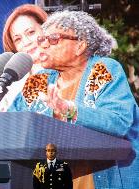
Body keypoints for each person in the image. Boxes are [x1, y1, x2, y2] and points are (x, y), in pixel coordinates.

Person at [9, 10, 139, 189]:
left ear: (80, 45)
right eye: (42, 39)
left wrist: (69, 110)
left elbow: (119, 122)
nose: (43, 45)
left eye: (53, 39)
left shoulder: (103, 70)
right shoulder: (38, 81)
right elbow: (10, 123)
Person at [0, 4, 57, 112]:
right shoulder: (14, 85)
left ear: (45, 29)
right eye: (18, 39)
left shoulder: (66, 71)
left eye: (31, 32)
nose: (26, 42)